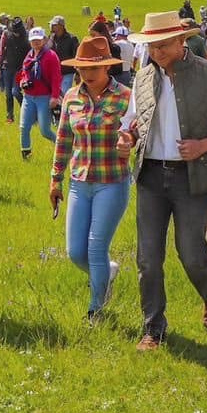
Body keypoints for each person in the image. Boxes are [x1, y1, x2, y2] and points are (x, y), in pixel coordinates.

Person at [117, 12, 207, 351]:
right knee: (147, 257)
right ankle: (153, 328)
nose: (157, 52)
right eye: (151, 46)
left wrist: (205, 144)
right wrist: (125, 137)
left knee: (190, 253)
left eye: (163, 45)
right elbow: (131, 120)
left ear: (182, 40)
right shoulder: (142, 78)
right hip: (150, 174)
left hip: (193, 176)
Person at [49, 36, 132, 322]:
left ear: (107, 68)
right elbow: (63, 139)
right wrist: (55, 180)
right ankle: (108, 272)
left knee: (96, 246)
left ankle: (96, 309)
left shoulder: (125, 97)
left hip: (112, 181)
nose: (86, 75)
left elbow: (137, 135)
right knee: (75, 252)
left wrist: (129, 143)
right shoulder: (71, 97)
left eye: (92, 69)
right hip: (78, 182)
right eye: (81, 69)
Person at [18, 26, 63, 159]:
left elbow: (56, 77)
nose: (36, 42)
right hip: (29, 96)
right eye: (33, 40)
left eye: (38, 40)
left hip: (44, 97)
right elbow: (24, 71)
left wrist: (54, 97)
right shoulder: (29, 55)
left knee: (45, 130)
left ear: (44, 39)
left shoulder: (51, 56)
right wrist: (23, 81)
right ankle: (26, 155)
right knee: (23, 127)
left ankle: (61, 148)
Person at [0, 17, 31, 122]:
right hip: (7, 67)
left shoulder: (27, 37)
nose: (16, 34)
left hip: (20, 68)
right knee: (8, 94)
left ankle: (26, 112)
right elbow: (1, 51)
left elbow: (30, 54)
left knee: (15, 91)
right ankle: (9, 116)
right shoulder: (6, 34)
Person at [47, 16, 79, 93]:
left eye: (54, 25)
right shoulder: (51, 37)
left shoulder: (72, 38)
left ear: (61, 26)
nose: (51, 26)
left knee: (64, 94)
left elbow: (77, 56)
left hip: (67, 72)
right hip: (54, 73)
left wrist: (78, 73)